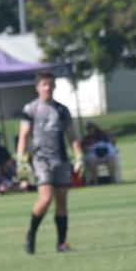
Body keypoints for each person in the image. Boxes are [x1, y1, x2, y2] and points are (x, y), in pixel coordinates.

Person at [17, 70, 83, 254]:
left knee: (62, 201)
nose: (48, 88)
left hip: (60, 159)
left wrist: (79, 156)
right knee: (45, 199)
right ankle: (31, 234)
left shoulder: (62, 110)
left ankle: (61, 243)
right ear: (37, 87)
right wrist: (21, 160)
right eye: (45, 84)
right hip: (41, 159)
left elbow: (72, 136)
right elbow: (23, 136)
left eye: (51, 84)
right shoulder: (30, 109)